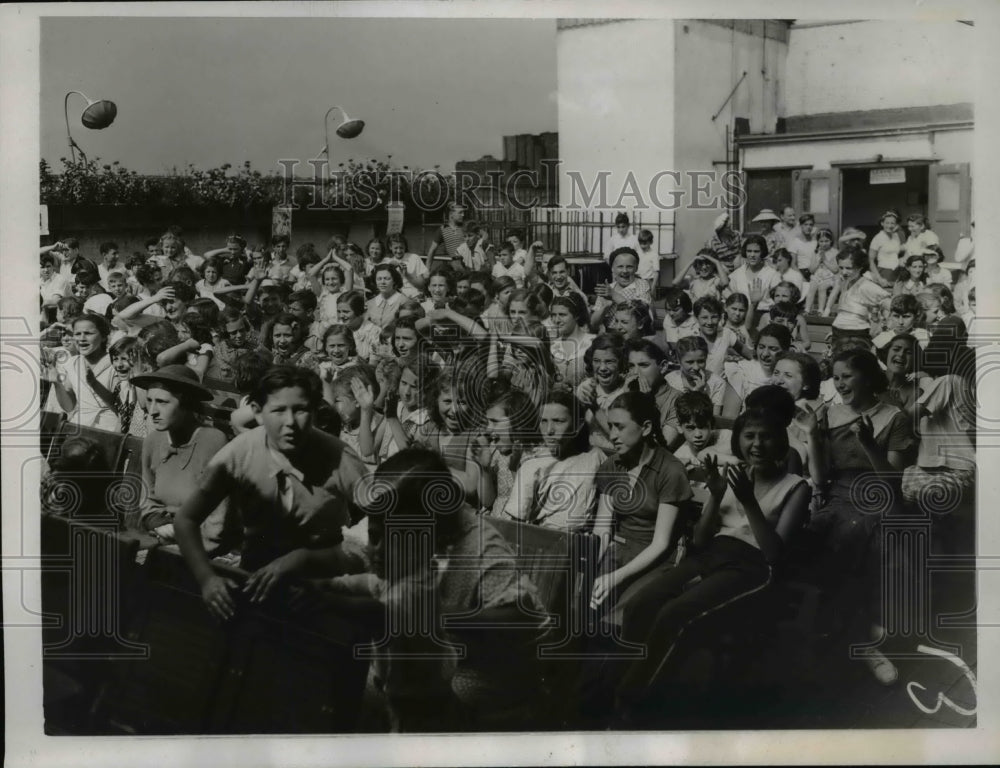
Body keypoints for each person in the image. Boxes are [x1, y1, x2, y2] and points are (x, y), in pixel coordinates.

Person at [612, 406, 810, 715]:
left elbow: (774, 554)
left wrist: (747, 500)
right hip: (713, 553)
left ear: (781, 442)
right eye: (749, 436)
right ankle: (621, 677)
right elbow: (702, 540)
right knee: (641, 603)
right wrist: (717, 495)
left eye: (766, 437)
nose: (757, 444)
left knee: (674, 614)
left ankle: (631, 700)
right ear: (739, 441)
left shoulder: (796, 486)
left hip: (753, 565)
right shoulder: (735, 474)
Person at [174, 366, 370, 620]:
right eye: (278, 410)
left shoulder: (339, 456)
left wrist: (308, 559)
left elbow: (390, 521)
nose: (290, 422)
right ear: (257, 412)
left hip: (324, 590)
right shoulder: (240, 452)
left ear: (314, 410)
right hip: (255, 582)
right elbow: (185, 520)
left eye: (300, 410)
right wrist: (207, 579)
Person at [808, 348, 915, 685]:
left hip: (880, 498)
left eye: (846, 376)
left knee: (870, 533)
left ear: (867, 377)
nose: (839, 384)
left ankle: (862, 637)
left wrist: (869, 444)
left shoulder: (894, 417)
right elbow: (822, 476)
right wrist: (813, 436)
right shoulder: (827, 413)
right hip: (838, 495)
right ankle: (853, 633)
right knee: (821, 535)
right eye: (836, 377)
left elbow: (892, 483)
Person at [590, 391, 692, 617]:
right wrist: (593, 571)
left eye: (620, 427)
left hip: (658, 558)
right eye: (610, 426)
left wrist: (615, 577)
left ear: (645, 428)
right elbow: (602, 529)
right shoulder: (612, 465)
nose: (613, 435)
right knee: (581, 600)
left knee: (625, 612)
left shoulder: (670, 470)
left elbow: (661, 543)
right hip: (620, 548)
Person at [132, 365, 231, 553]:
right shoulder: (153, 441)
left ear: (186, 404)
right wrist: (158, 524)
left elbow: (219, 515)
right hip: (160, 537)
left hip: (201, 548)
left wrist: (180, 535)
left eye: (162, 402)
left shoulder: (213, 441)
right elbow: (147, 497)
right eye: (150, 401)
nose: (152, 411)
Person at [520, 389, 605, 529]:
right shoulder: (533, 462)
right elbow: (518, 518)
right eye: (543, 422)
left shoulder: (594, 457)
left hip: (583, 541)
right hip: (543, 539)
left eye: (558, 421)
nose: (549, 430)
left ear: (578, 425)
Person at [43, 313, 121, 431]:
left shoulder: (116, 363)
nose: (82, 338)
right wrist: (57, 383)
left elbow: (120, 407)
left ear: (104, 336)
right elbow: (69, 407)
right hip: (79, 426)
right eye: (77, 334)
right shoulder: (72, 363)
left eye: (88, 333)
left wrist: (94, 384)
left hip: (109, 428)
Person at [826, 246, 890, 342]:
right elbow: (845, 312)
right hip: (838, 332)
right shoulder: (845, 282)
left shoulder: (866, 286)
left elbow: (893, 306)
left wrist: (882, 326)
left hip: (856, 336)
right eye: (841, 268)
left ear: (860, 268)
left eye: (848, 268)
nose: (844, 272)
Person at [549, 294, 596, 387]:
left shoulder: (594, 342)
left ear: (576, 316)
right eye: (553, 315)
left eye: (562, 315)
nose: (556, 320)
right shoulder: (552, 346)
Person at [868, 210, 904, 288]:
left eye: (892, 223)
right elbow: (871, 261)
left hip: (897, 272)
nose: (890, 225)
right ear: (882, 223)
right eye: (887, 223)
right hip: (883, 273)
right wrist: (879, 278)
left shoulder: (896, 236)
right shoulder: (878, 238)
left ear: (896, 225)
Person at [426, 202, 467, 266]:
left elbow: (484, 235)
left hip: (468, 264)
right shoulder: (442, 230)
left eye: (463, 212)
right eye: (460, 212)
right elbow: (432, 250)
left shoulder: (466, 227)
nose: (463, 215)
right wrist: (427, 269)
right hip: (453, 265)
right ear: (451, 214)